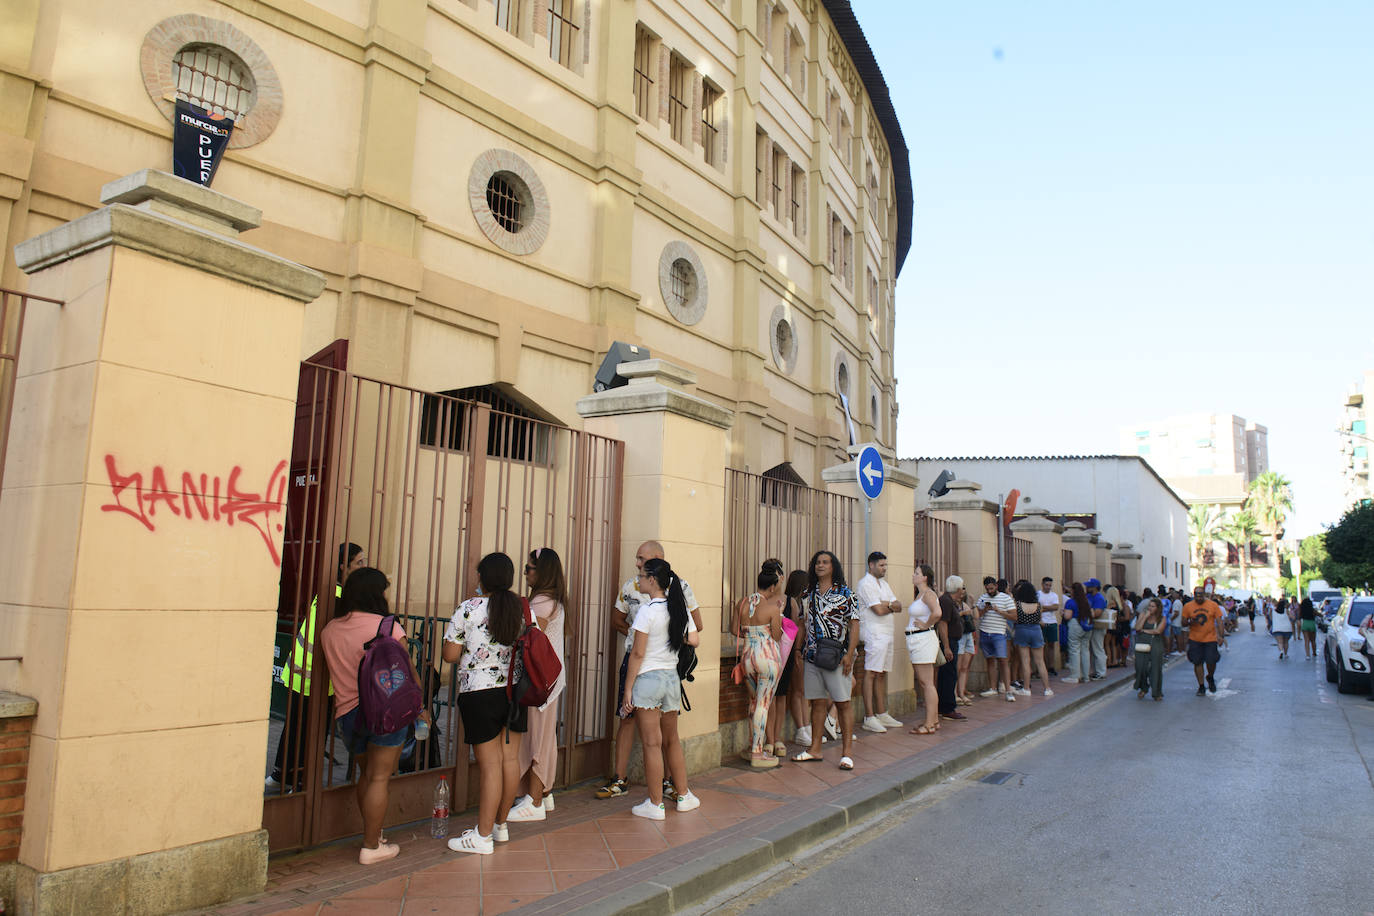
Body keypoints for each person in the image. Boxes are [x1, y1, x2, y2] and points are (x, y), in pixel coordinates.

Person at [319, 566, 429, 865]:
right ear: (376, 594)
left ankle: (374, 835)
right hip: (385, 713)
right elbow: (408, 674)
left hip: (348, 715)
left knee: (366, 775)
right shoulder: (389, 627)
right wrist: (420, 709)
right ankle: (371, 846)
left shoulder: (329, 630)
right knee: (380, 777)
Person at [597, 541, 700, 800]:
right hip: (647, 666)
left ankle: (663, 789)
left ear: (657, 563)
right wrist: (636, 635)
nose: (637, 563)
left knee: (660, 737)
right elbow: (617, 620)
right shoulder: (630, 587)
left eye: (642, 559)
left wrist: (663, 638)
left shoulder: (680, 587)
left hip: (654, 668)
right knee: (628, 719)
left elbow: (695, 624)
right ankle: (620, 778)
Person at [443, 553, 529, 854]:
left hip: (478, 693)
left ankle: (481, 836)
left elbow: (450, 656)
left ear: (483, 577)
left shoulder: (469, 609)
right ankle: (499, 826)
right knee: (509, 762)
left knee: (490, 767)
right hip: (513, 691)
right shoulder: (519, 609)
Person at [269, 542, 363, 793]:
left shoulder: (329, 591)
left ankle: (281, 774)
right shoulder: (341, 598)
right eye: (359, 562)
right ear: (344, 566)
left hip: (300, 673)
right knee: (311, 734)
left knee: (294, 728)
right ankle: (300, 784)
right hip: (318, 679)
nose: (363, 566)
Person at [621, 558, 701, 818]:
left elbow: (637, 653)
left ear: (652, 580)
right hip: (671, 680)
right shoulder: (678, 608)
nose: (639, 580)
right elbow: (695, 639)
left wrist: (627, 689)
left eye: (641, 576)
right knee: (671, 741)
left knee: (652, 744)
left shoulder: (648, 611)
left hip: (648, 681)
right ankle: (685, 794)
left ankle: (655, 803)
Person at [509, 547, 567, 822]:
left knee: (536, 741)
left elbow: (529, 634)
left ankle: (534, 801)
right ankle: (543, 794)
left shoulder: (542, 603)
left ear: (541, 572)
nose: (525, 573)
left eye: (529, 568)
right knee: (544, 738)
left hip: (539, 680)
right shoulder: (550, 600)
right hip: (548, 679)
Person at [792, 551, 859, 769]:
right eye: (817, 563)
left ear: (833, 566)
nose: (820, 566)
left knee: (843, 703)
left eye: (825, 562)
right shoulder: (807, 594)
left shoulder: (846, 595)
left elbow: (855, 625)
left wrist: (849, 654)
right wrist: (798, 650)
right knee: (817, 703)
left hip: (837, 657)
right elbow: (802, 624)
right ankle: (815, 749)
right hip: (811, 656)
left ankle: (847, 753)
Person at [732, 562, 783, 768]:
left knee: (753, 702)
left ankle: (752, 745)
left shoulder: (741, 604)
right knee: (763, 704)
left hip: (747, 657)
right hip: (767, 657)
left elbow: (734, 630)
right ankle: (757, 752)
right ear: (771, 588)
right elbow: (778, 636)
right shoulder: (772, 607)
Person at [855, 551, 905, 733]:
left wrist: (888, 604)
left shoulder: (884, 584)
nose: (885, 568)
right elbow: (878, 610)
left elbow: (899, 605)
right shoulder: (865, 584)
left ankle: (882, 713)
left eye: (885, 565)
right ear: (871, 565)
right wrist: (888, 605)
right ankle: (869, 716)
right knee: (871, 673)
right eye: (882, 565)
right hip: (873, 633)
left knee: (882, 673)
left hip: (887, 633)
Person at [905, 564, 943, 734]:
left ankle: (929, 723)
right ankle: (933, 720)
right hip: (917, 639)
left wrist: (926, 625)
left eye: (917, 573)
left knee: (927, 683)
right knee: (924, 682)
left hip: (923, 639)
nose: (913, 575)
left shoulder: (928, 594)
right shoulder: (920, 594)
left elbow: (937, 613)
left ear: (925, 577)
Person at [780, 569, 813, 748]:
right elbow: (794, 628)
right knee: (797, 690)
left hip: (804, 649)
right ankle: (801, 729)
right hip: (794, 651)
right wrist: (797, 651)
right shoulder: (792, 603)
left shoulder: (803, 603)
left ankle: (806, 727)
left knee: (804, 691)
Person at [1011, 580, 1053, 697]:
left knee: (1025, 661)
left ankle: (1026, 689)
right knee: (1040, 662)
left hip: (1022, 631)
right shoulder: (1038, 605)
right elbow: (1039, 618)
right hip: (1036, 631)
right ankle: (1047, 688)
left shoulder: (1017, 604)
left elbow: (1015, 618)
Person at [977, 575, 1016, 701]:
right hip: (984, 632)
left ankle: (1008, 690)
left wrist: (1000, 611)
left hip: (999, 633)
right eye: (987, 589)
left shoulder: (1006, 598)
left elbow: (1014, 616)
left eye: (992, 589)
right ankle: (992, 688)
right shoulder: (983, 598)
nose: (989, 591)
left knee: (1003, 661)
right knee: (990, 660)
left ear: (996, 586)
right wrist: (985, 610)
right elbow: (977, 615)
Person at [1182, 585, 1225, 696]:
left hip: (1210, 638)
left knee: (1211, 661)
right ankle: (1201, 686)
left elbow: (1219, 621)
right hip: (1195, 639)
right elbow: (1183, 622)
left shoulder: (1213, 605)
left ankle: (1210, 677)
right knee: (1197, 662)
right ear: (1194, 595)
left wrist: (1221, 636)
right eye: (1197, 595)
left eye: (1201, 595)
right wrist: (1190, 622)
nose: (1199, 597)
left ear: (1204, 595)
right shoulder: (1188, 606)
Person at [936, 575, 966, 721]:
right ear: (958, 588)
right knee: (949, 674)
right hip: (949, 642)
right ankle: (947, 707)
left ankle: (945, 706)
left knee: (947, 674)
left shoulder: (950, 601)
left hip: (952, 641)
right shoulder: (946, 601)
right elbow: (943, 624)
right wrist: (947, 646)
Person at [1132, 597, 1167, 700]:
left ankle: (1156, 692)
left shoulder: (1162, 618)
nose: (1150, 608)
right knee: (1140, 667)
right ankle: (1143, 687)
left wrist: (1145, 631)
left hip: (1155, 644)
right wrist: (1145, 617)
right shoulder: (1143, 615)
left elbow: (1158, 631)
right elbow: (1137, 628)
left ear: (1158, 608)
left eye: (1153, 606)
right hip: (1141, 644)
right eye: (1149, 606)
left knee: (1155, 668)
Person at [1061, 582, 1093, 684]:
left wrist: (1062, 613)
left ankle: (1075, 676)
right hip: (1087, 626)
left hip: (1075, 625)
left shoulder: (1070, 602)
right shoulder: (1086, 601)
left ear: (1073, 591)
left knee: (1074, 650)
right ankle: (1085, 676)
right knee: (1085, 650)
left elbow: (1067, 616)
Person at [954, 583, 979, 705]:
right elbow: (952, 617)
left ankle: (962, 692)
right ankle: (954, 694)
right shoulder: (953, 604)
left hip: (968, 634)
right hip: (959, 635)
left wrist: (972, 604)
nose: (963, 591)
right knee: (957, 667)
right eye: (961, 588)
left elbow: (976, 616)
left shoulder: (965, 604)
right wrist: (963, 613)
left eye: (964, 588)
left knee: (964, 667)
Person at [1036, 577, 1061, 676]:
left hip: (1052, 622)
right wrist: (1048, 608)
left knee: (1051, 645)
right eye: (1046, 585)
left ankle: (1051, 666)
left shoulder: (1054, 595)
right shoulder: (1038, 594)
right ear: (1042, 584)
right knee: (1041, 646)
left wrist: (1043, 608)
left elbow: (1056, 607)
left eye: (1050, 585)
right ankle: (1042, 668)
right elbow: (1037, 607)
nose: (1048, 587)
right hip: (1041, 622)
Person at [1085, 579, 1109, 678]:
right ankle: (1096, 671)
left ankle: (1101, 672)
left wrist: (1088, 614)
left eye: (1089, 586)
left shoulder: (1099, 598)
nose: (1087, 588)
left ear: (1094, 587)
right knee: (1093, 649)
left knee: (1098, 649)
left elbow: (1098, 613)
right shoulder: (1090, 596)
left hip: (1098, 627)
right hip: (1092, 626)